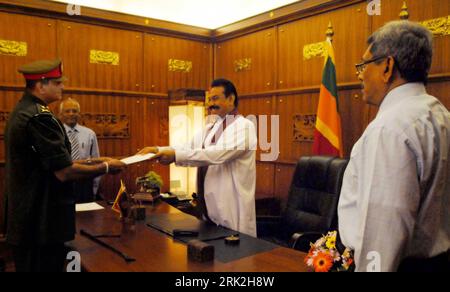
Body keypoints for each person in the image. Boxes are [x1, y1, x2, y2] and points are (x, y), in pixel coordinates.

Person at [338, 21, 450, 272]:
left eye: (364, 65)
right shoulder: (441, 115)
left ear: (387, 66)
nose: (360, 75)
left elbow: (384, 229)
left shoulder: (389, 129)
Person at [4, 58, 126, 272]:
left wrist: (98, 160)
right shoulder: (39, 118)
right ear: (41, 85)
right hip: (39, 223)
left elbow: (55, 162)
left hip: (31, 221)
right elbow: (64, 171)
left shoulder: (27, 110)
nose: (63, 87)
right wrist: (107, 168)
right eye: (58, 82)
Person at [139, 79, 258, 237]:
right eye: (209, 99)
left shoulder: (244, 126)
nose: (210, 104)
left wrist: (175, 156)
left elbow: (216, 154)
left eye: (215, 98)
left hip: (231, 209)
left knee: (236, 256)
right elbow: (186, 146)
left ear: (231, 99)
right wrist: (157, 150)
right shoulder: (211, 126)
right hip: (209, 208)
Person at [60, 98, 101, 203]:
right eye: (67, 111)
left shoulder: (89, 134)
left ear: (79, 114)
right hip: (63, 181)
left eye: (74, 111)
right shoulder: (56, 134)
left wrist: (94, 188)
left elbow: (96, 161)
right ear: (61, 114)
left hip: (84, 182)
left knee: (86, 216)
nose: (71, 114)